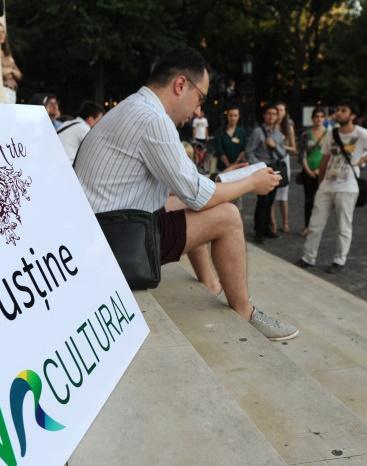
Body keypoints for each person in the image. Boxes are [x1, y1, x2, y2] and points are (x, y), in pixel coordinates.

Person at [74, 47, 298, 340]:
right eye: (200, 99)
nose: (197, 111)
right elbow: (198, 195)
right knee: (227, 216)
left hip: (103, 229)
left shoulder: (134, 107)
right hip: (119, 240)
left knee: (193, 203)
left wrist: (225, 178)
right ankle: (245, 311)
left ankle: (210, 283)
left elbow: (185, 185)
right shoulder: (153, 119)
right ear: (181, 84)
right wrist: (251, 183)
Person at [296, 100, 367, 273]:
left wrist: (364, 159)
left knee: (343, 226)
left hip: (347, 187)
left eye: (343, 110)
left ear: (352, 115)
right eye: (338, 110)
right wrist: (321, 184)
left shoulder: (362, 133)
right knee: (315, 224)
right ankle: (308, 257)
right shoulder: (331, 134)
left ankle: (339, 261)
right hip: (327, 186)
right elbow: (325, 159)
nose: (338, 113)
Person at [246, 104, 287, 243]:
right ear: (264, 115)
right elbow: (249, 152)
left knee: (270, 201)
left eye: (274, 114)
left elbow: (283, 153)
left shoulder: (278, 133)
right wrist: (259, 166)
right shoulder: (258, 132)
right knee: (262, 201)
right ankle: (259, 231)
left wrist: (274, 146)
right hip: (262, 168)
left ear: (277, 117)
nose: (271, 116)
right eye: (268, 113)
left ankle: (267, 229)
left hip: (275, 168)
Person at [298, 107, 327, 236]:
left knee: (321, 201)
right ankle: (307, 226)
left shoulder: (330, 134)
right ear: (312, 118)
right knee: (309, 200)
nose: (319, 119)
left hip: (323, 172)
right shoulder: (305, 134)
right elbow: (302, 154)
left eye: (321, 116)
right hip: (308, 171)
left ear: (324, 118)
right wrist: (308, 170)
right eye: (316, 116)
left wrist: (320, 169)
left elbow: (330, 154)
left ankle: (318, 226)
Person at [270, 102, 296, 233]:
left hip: (283, 161)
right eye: (277, 110)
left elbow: (294, 149)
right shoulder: (269, 128)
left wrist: (279, 145)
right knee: (271, 193)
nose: (279, 112)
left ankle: (285, 223)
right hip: (271, 160)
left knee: (283, 194)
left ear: (285, 112)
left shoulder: (288, 128)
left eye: (281, 110)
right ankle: (273, 223)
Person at [214, 106, 247, 172]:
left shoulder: (242, 132)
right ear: (227, 116)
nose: (233, 118)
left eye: (235, 115)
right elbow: (220, 150)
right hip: (222, 168)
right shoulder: (220, 132)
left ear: (238, 117)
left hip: (238, 167)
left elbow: (243, 149)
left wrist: (235, 164)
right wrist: (228, 165)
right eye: (230, 115)